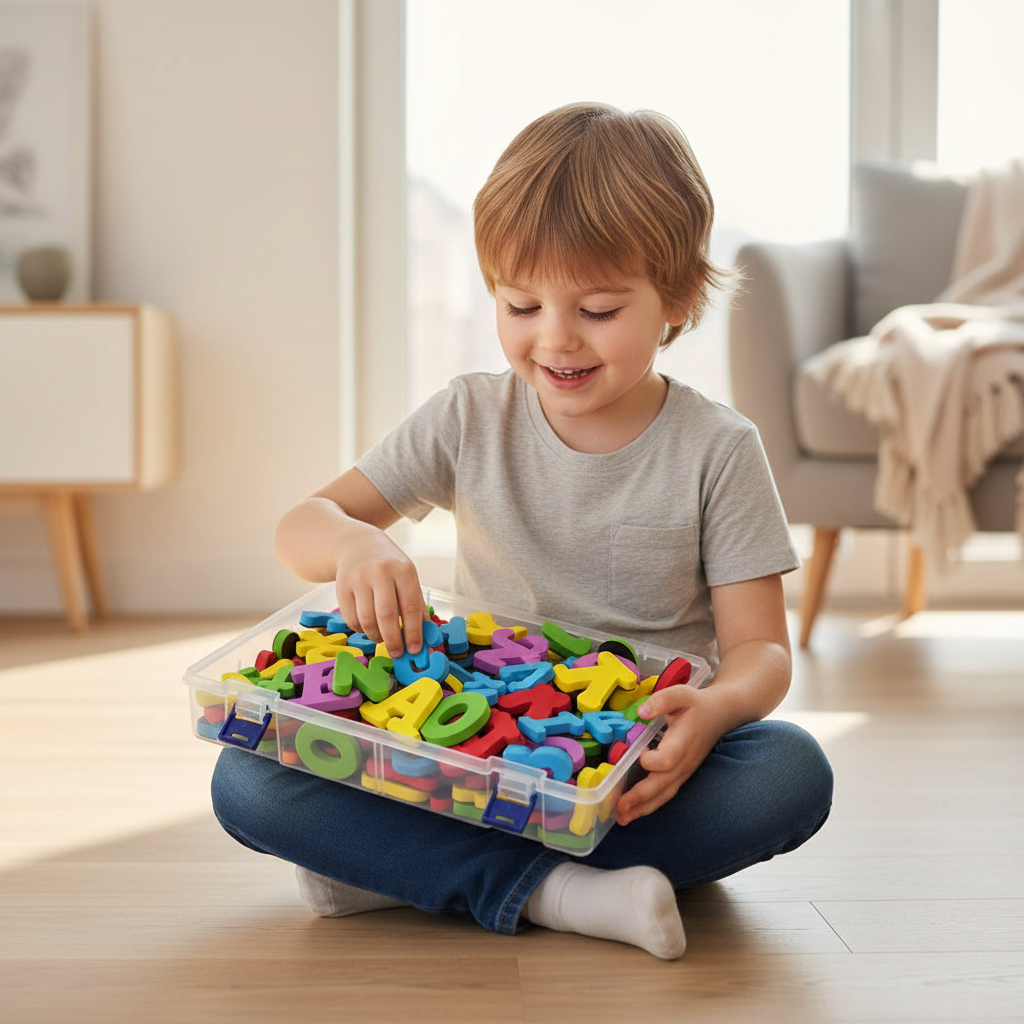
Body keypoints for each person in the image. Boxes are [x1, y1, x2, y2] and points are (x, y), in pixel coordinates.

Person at [211, 102, 833, 960]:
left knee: (789, 775)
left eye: (601, 309)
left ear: (679, 296)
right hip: (461, 757)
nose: (556, 339)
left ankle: (401, 871)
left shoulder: (718, 449)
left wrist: (715, 711)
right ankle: (561, 893)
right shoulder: (469, 415)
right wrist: (357, 543)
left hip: (630, 770)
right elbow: (302, 523)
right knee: (246, 774)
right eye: (521, 303)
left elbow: (762, 651)